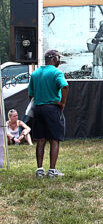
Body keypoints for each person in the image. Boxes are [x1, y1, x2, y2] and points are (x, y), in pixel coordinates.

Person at [28, 49, 68, 178]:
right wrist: (62, 102)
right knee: (54, 139)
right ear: (55, 59)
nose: (59, 61)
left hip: (38, 108)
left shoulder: (35, 74)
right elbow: (65, 86)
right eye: (59, 59)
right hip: (52, 108)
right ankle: (52, 170)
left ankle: (39, 169)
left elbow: (31, 95)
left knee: (41, 139)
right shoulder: (57, 72)